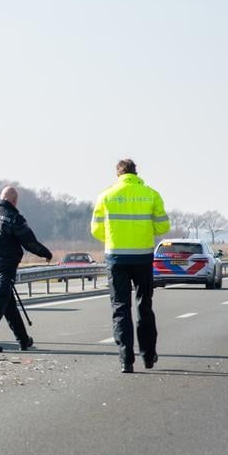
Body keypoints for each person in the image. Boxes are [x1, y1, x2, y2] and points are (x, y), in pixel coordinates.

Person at [91, 159, 170, 373]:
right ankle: (148, 356)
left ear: (118, 174)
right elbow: (163, 225)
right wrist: (144, 232)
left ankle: (126, 359)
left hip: (116, 258)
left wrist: (113, 239)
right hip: (143, 257)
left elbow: (95, 229)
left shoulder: (106, 196)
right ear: (136, 173)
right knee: (144, 306)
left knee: (120, 307)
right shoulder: (151, 194)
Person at [0, 186, 53, 352]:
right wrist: (46, 253)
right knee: (1, 298)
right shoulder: (13, 218)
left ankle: (23, 340)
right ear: (14, 201)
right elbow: (29, 242)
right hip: (5, 266)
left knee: (8, 304)